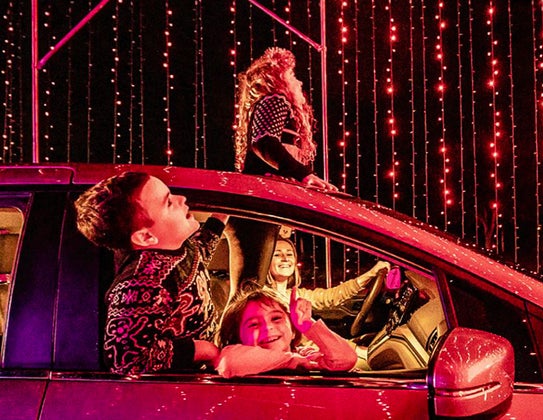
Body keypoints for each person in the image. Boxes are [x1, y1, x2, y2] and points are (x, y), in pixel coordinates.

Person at [74, 171, 228, 375]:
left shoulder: (174, 244)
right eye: (169, 203)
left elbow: (198, 253)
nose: (182, 199)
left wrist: (220, 217)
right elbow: (126, 361)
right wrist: (203, 350)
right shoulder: (140, 285)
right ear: (146, 237)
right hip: (185, 383)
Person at [227, 46, 337, 301]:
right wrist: (303, 175)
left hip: (258, 207)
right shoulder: (276, 100)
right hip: (255, 208)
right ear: (279, 77)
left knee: (249, 289)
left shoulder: (271, 104)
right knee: (248, 291)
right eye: (292, 75)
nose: (298, 82)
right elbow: (264, 141)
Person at [215, 287, 357, 378]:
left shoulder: (305, 354)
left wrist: (307, 324)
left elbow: (346, 359)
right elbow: (230, 361)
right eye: (253, 324)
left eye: (276, 318)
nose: (267, 327)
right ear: (238, 337)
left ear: (293, 330)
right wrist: (293, 360)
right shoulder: (237, 356)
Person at [267, 237, 390, 311]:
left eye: (289, 254)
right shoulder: (264, 298)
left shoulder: (295, 295)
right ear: (266, 261)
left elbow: (331, 296)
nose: (285, 259)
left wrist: (370, 274)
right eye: (277, 254)